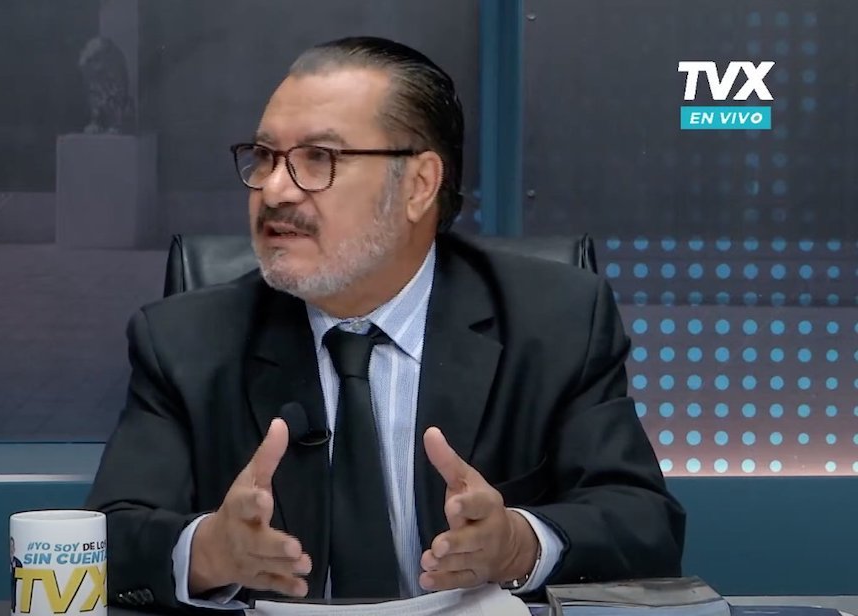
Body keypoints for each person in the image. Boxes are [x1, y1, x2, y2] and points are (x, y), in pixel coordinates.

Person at [86, 36, 685, 611]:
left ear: (419, 185)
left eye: (317, 159)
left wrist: (519, 544)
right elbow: (109, 538)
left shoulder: (555, 322)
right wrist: (207, 552)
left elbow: (642, 522)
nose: (274, 190)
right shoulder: (185, 342)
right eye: (264, 157)